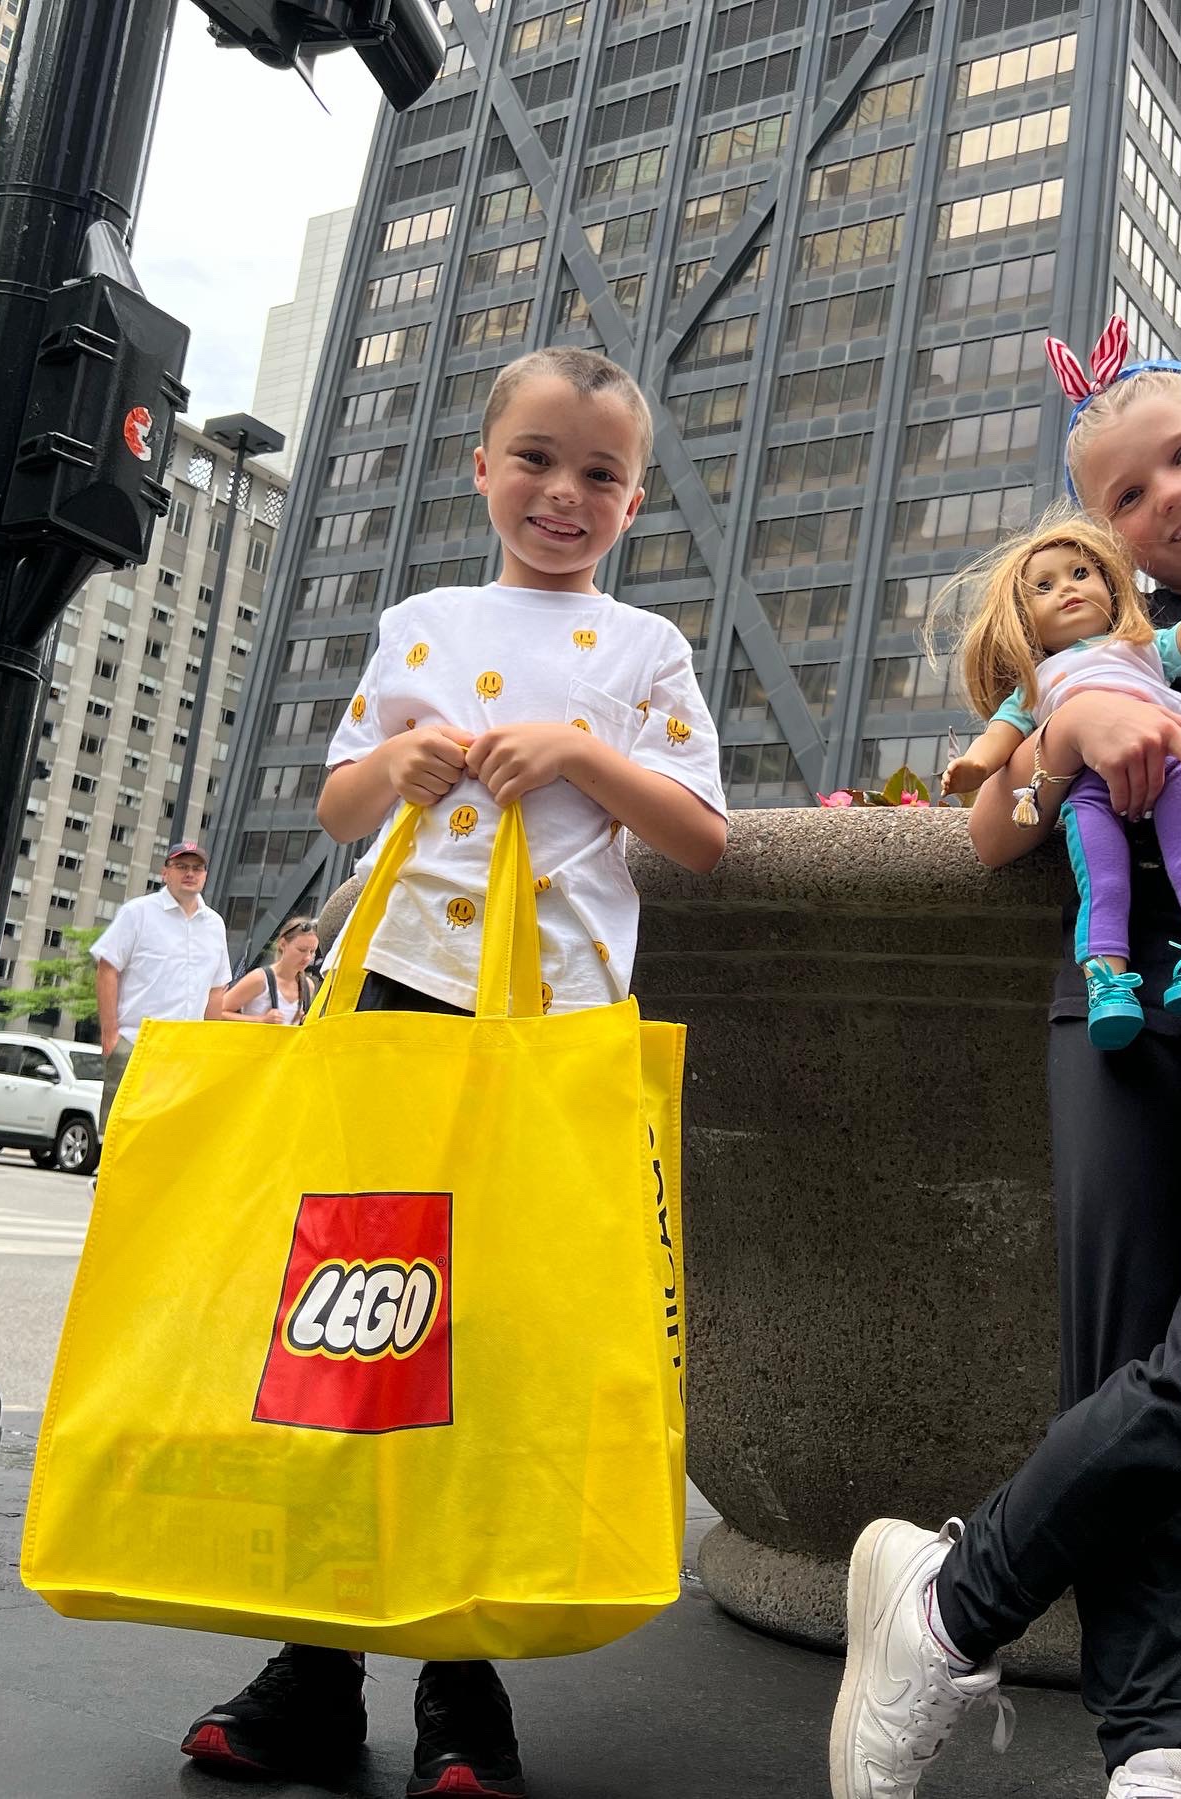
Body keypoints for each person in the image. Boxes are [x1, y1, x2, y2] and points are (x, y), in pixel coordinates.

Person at [829, 319, 1181, 1799]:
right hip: (1121, 1002)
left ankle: (951, 1597)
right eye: (1126, 494)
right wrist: (1074, 727)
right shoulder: (1106, 650)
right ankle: (1156, 1747)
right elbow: (992, 831)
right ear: (1107, 532)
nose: (1170, 496)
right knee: (1117, 1356)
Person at [180, 346, 728, 1798]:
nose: (564, 491)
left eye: (600, 472)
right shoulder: (418, 621)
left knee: (491, 1347)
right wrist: (400, 769)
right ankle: (316, 1661)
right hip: (393, 1000)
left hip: (553, 1031)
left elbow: (700, 831)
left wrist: (577, 755)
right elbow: (340, 801)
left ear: (633, 500)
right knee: (350, 1327)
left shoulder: (645, 649)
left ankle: (460, 1678)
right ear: (481, 468)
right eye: (535, 458)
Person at [938, 512, 1181, 1046]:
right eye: (1043, 587)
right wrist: (972, 768)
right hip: (1090, 789)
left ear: (1111, 589)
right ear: (1023, 622)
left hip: (1173, 764)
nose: (1066, 589)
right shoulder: (1036, 684)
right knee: (1103, 881)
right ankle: (1108, 983)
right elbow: (1000, 737)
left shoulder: (1141, 645)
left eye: (1080, 574)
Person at [90, 841, 231, 1143]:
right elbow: (107, 968)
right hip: (137, 1042)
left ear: (205, 876)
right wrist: (110, 1035)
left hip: (187, 1051)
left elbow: (217, 989)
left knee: (171, 1139)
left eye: (197, 868)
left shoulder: (214, 924)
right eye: (181, 866)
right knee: (120, 1139)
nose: (190, 873)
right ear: (165, 872)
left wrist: (209, 1044)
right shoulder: (138, 913)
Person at [221, 918, 319, 1024]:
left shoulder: (307, 986)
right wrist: (260, 1020)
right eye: (302, 950)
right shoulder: (259, 979)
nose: (307, 958)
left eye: (312, 951)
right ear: (282, 944)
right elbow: (219, 1012)